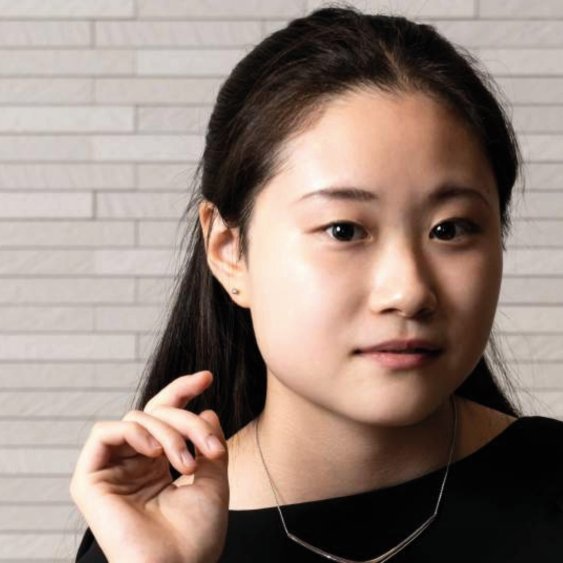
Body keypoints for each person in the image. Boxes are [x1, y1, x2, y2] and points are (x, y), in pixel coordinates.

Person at [70, 4, 563, 562]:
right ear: (230, 252)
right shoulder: (144, 532)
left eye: (448, 229)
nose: (408, 292)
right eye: (343, 230)